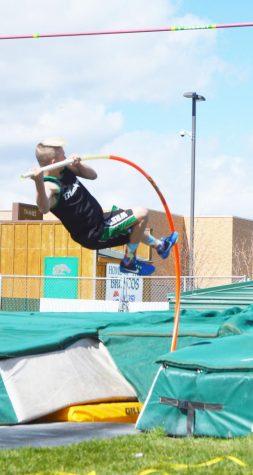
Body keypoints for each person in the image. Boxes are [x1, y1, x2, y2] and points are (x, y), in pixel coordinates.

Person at [31, 139, 178, 276]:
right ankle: (129, 261)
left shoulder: (65, 170)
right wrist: (38, 182)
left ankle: (160, 246)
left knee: (135, 227)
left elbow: (93, 175)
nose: (67, 155)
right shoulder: (49, 185)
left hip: (101, 220)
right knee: (142, 213)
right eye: (64, 154)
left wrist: (78, 165)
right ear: (54, 161)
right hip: (93, 233)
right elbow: (43, 208)